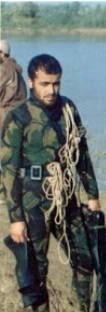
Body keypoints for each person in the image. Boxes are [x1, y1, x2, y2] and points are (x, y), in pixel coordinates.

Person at [1, 54, 103, 312]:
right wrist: (16, 218)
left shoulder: (68, 109)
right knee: (36, 266)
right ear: (31, 82)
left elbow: (81, 153)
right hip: (32, 196)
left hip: (66, 195)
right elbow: (8, 170)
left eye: (56, 83)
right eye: (45, 84)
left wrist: (93, 194)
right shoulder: (18, 116)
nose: (51, 90)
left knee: (84, 257)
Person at [0, 39, 27, 204]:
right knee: (15, 154)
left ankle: (5, 192)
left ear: (1, 53)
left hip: (6, 116)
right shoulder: (16, 69)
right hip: (20, 116)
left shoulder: (4, 69)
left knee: (6, 155)